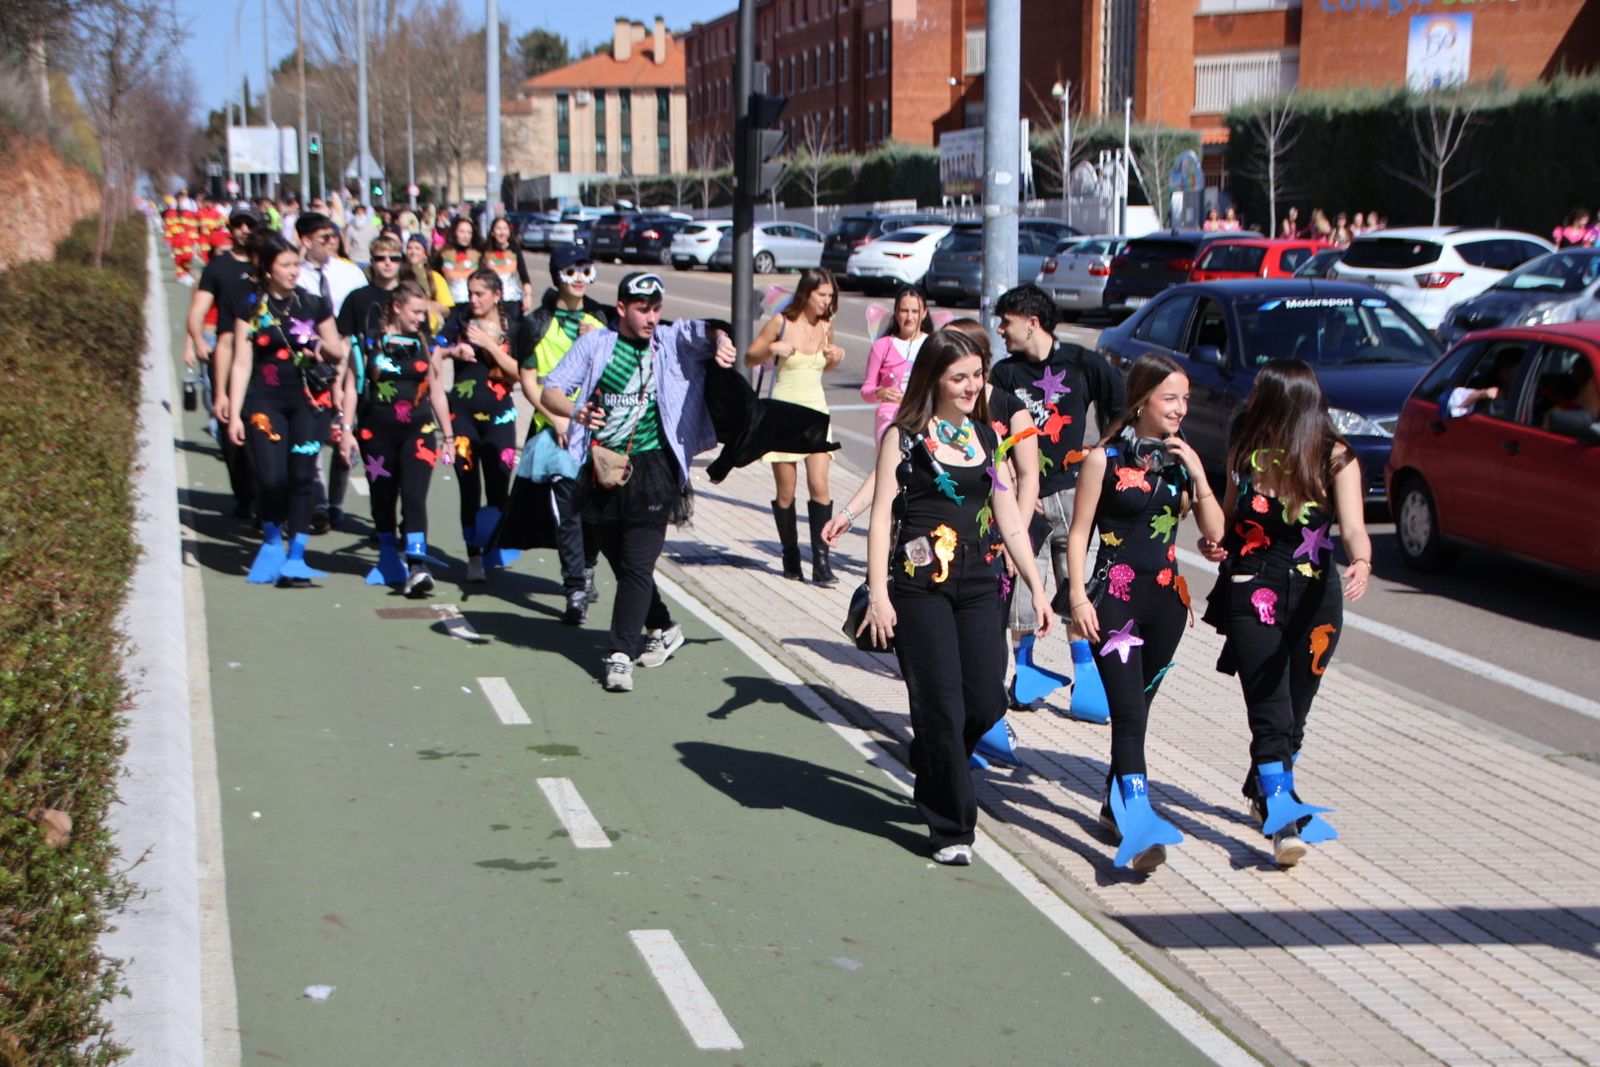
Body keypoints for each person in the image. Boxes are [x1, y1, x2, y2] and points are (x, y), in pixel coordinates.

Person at [858, 328, 1054, 865]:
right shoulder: (904, 436)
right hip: (919, 587)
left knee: (987, 701)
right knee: (941, 708)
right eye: (959, 377)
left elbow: (1009, 516)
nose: (972, 386)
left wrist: (1037, 587)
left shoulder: (985, 437)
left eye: (977, 375)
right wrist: (879, 594)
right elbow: (881, 520)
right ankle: (952, 828)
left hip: (978, 582)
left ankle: (933, 758)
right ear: (936, 379)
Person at [1197, 359, 1370, 867]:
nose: (1249, 398)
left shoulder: (1335, 458)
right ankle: (1283, 822)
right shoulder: (1244, 449)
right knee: (1269, 712)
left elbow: (1356, 526)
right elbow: (1229, 520)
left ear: (1282, 400)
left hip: (1318, 601)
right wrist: (1216, 543)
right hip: (1253, 591)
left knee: (1294, 714)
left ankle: (1262, 786)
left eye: (1258, 391)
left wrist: (1361, 559)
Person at [1063, 353, 1224, 872]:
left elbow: (1218, 533)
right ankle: (1139, 825)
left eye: (1185, 400)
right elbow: (1078, 533)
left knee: (1139, 713)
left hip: (1167, 605)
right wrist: (1078, 599)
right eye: (1169, 398)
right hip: (1114, 602)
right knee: (1128, 716)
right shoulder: (1102, 460)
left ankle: (1114, 808)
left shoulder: (1178, 462)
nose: (1180, 409)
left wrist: (1197, 472)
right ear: (1141, 401)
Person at [541, 272, 738, 692]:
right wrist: (576, 411)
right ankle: (664, 626)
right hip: (604, 468)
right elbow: (551, 390)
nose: (651, 317)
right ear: (621, 309)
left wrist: (721, 340)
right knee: (618, 558)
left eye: (656, 309)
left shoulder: (667, 341)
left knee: (636, 564)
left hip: (655, 469)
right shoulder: (596, 345)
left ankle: (619, 655)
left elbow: (703, 329)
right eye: (642, 309)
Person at [990, 283, 1124, 706]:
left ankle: (1086, 679)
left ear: (1032, 323)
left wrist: (1104, 452)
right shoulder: (1005, 374)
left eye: (1006, 322)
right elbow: (997, 437)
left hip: (1073, 495)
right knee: (1023, 584)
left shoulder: (1084, 363)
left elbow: (1121, 408)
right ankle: (1025, 671)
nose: (999, 330)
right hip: (1026, 500)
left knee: (1076, 585)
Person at [226, 232, 349, 584]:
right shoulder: (251, 307)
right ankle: (270, 541)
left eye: (297, 263)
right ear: (267, 268)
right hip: (265, 402)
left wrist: (318, 346)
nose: (295, 270)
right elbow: (240, 363)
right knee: (271, 477)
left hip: (308, 403)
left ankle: (296, 554)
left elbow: (338, 350)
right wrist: (235, 413)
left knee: (301, 476)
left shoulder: (312, 303)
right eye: (286, 265)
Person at [521, 244, 613, 624]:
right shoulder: (536, 322)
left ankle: (588, 567)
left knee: (596, 510)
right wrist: (557, 418)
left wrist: (601, 340)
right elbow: (528, 380)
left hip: (595, 430)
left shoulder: (601, 318)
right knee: (568, 511)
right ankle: (574, 587)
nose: (578, 279)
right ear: (558, 275)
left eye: (584, 270)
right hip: (554, 430)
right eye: (570, 271)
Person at [745, 267, 846, 585]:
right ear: (806, 293)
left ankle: (820, 561)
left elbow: (826, 366)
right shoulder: (781, 322)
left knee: (820, 486)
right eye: (822, 295)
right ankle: (790, 554)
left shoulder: (827, 325)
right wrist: (772, 349)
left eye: (830, 296)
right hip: (784, 414)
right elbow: (750, 356)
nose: (826, 302)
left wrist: (835, 357)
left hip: (816, 412)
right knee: (786, 493)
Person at [355, 279, 456, 596]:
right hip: (376, 431)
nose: (419, 318)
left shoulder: (427, 343)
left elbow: (437, 393)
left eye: (423, 312)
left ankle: (417, 564)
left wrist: (449, 436)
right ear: (396, 308)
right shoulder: (370, 342)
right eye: (415, 312)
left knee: (414, 497)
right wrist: (344, 428)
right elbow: (350, 384)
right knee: (383, 496)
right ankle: (387, 554)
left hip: (419, 430)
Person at [439, 268, 529, 581]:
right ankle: (473, 555)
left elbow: (520, 373)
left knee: (498, 485)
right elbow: (433, 350)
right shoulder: (459, 320)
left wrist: (489, 346)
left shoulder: (513, 327)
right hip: (461, 415)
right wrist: (454, 350)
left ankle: (494, 546)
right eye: (471, 292)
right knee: (468, 486)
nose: (473, 299)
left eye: (480, 294)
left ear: (496, 295)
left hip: (500, 417)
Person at [189, 205, 262, 519]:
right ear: (230, 228)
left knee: (262, 433)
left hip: (264, 361)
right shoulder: (218, 267)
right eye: (239, 224)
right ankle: (244, 496)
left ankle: (264, 500)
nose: (244, 230)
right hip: (226, 353)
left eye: (250, 224)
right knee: (230, 431)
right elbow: (196, 312)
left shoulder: (267, 265)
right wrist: (194, 340)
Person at [860, 284, 932, 443]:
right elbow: (866, 390)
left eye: (915, 311)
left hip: (923, 419)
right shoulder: (882, 346)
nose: (909, 317)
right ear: (896, 313)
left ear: (924, 313)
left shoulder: (933, 344)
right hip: (889, 420)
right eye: (904, 311)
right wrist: (880, 392)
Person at [483, 216, 536, 317]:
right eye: (498, 229)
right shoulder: (486, 250)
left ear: (509, 232)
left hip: (513, 299)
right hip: (492, 301)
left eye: (505, 229)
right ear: (493, 232)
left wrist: (528, 296)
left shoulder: (515, 249)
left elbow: (524, 276)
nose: (502, 232)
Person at [404, 233, 453, 329]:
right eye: (409, 248)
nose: (413, 252)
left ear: (425, 254)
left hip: (429, 328)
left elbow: (448, 309)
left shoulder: (435, 277)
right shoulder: (401, 275)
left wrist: (435, 306)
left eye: (417, 248)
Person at [436, 216, 482, 305]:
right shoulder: (443, 254)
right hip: (449, 302)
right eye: (461, 232)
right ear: (454, 232)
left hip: (472, 302)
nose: (465, 236)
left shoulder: (478, 254)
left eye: (469, 233)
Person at [345, 203, 377, 270]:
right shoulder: (350, 228)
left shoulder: (373, 228)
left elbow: (376, 243)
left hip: (369, 260)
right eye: (358, 213)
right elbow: (347, 245)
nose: (360, 215)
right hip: (354, 260)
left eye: (362, 213)